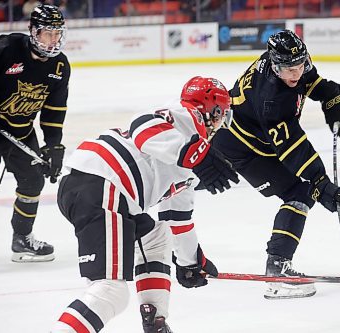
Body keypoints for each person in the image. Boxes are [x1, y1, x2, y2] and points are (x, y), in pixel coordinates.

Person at [51, 76, 239, 333]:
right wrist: (197, 155)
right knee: (111, 290)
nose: (220, 123)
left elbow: (178, 218)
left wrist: (191, 261)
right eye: (221, 115)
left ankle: (156, 324)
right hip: (104, 184)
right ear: (210, 110)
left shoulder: (190, 150)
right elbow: (142, 125)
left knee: (156, 238)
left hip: (98, 188)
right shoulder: (184, 117)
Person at [211, 29, 340, 299]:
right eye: (289, 69)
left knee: (302, 191)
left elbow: (308, 80)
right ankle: (277, 271)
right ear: (275, 66)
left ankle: (278, 265)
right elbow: (292, 148)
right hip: (242, 148)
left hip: (258, 138)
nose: (296, 73)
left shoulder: (288, 62)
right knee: (298, 193)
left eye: (300, 64)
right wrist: (321, 183)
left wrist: (331, 97)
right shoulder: (271, 99)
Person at [0, 4, 69, 262]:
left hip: (21, 130)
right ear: (32, 31)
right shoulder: (7, 47)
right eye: (47, 33)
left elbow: (54, 109)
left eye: (57, 33)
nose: (53, 39)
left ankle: (22, 241)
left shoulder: (59, 66)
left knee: (33, 181)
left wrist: (53, 145)